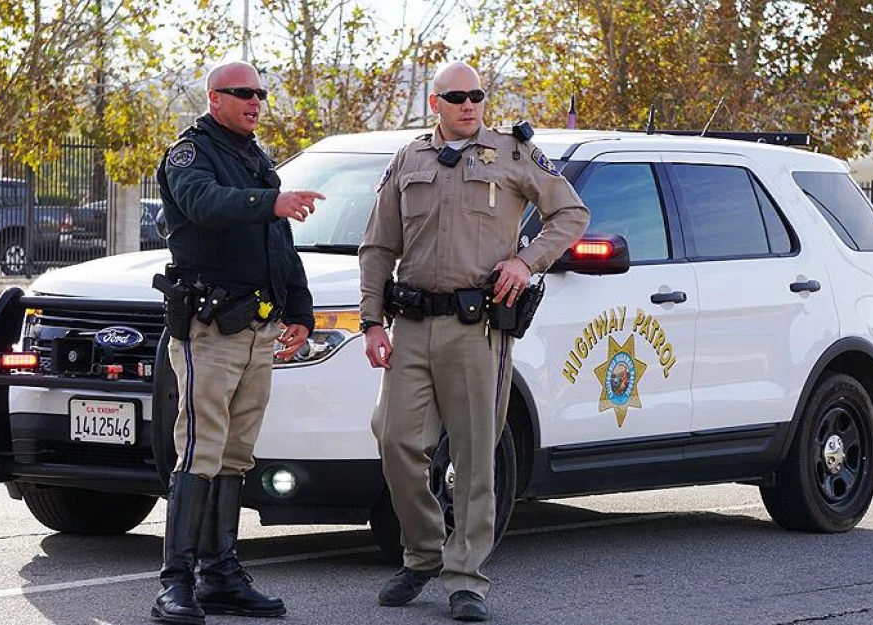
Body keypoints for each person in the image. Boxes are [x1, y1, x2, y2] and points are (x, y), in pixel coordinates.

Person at [359, 61, 589, 622]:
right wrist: (370, 321)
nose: (469, 104)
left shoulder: (512, 154)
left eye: (477, 95)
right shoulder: (408, 159)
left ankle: (466, 578)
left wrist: (527, 260)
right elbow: (378, 246)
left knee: (474, 457)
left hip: (476, 328)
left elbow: (571, 213)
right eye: (457, 96)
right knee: (394, 440)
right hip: (410, 324)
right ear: (434, 103)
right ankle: (422, 553)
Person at [151, 60, 325, 625]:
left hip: (258, 327)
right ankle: (175, 583)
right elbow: (203, 204)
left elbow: (280, 242)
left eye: (260, 93)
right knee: (200, 448)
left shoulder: (256, 155)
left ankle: (221, 574)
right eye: (243, 93)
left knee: (236, 454)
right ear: (214, 97)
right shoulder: (190, 153)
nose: (255, 101)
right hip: (210, 328)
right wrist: (267, 201)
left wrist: (301, 310)